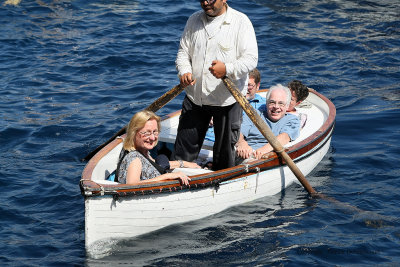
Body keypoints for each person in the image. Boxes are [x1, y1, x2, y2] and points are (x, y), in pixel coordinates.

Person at [172, 0, 258, 170]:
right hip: (194, 99)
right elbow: (183, 53)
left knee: (225, 157)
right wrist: (184, 71)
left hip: (227, 101)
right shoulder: (193, 20)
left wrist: (227, 69)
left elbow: (251, 59)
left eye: (210, 0)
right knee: (182, 153)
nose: (205, 3)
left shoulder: (241, 22)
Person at [116, 110, 200, 185]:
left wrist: (184, 164)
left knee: (161, 159)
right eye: (147, 133)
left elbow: (154, 164)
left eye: (155, 132)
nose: (153, 138)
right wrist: (166, 176)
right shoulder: (134, 159)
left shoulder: (140, 151)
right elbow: (132, 186)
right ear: (134, 133)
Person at [236, 84, 300, 161]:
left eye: (281, 103)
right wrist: (242, 143)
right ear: (266, 103)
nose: (276, 106)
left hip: (264, 157)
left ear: (287, 106)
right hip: (243, 153)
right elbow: (240, 132)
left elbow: (284, 138)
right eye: (272, 102)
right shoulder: (254, 114)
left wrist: (262, 150)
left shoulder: (292, 120)